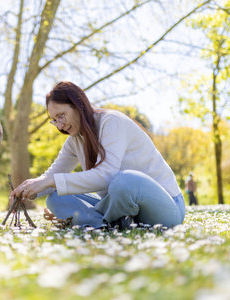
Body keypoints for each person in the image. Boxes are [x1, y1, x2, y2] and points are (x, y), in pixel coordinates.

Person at [10, 81, 185, 229]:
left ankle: (109, 220)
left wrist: (50, 181)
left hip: (167, 207)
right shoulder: (74, 141)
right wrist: (31, 189)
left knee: (125, 180)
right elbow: (52, 176)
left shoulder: (111, 122)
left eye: (62, 116)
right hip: (122, 208)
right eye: (54, 120)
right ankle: (104, 225)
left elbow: (106, 176)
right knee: (55, 198)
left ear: (79, 105)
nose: (60, 126)